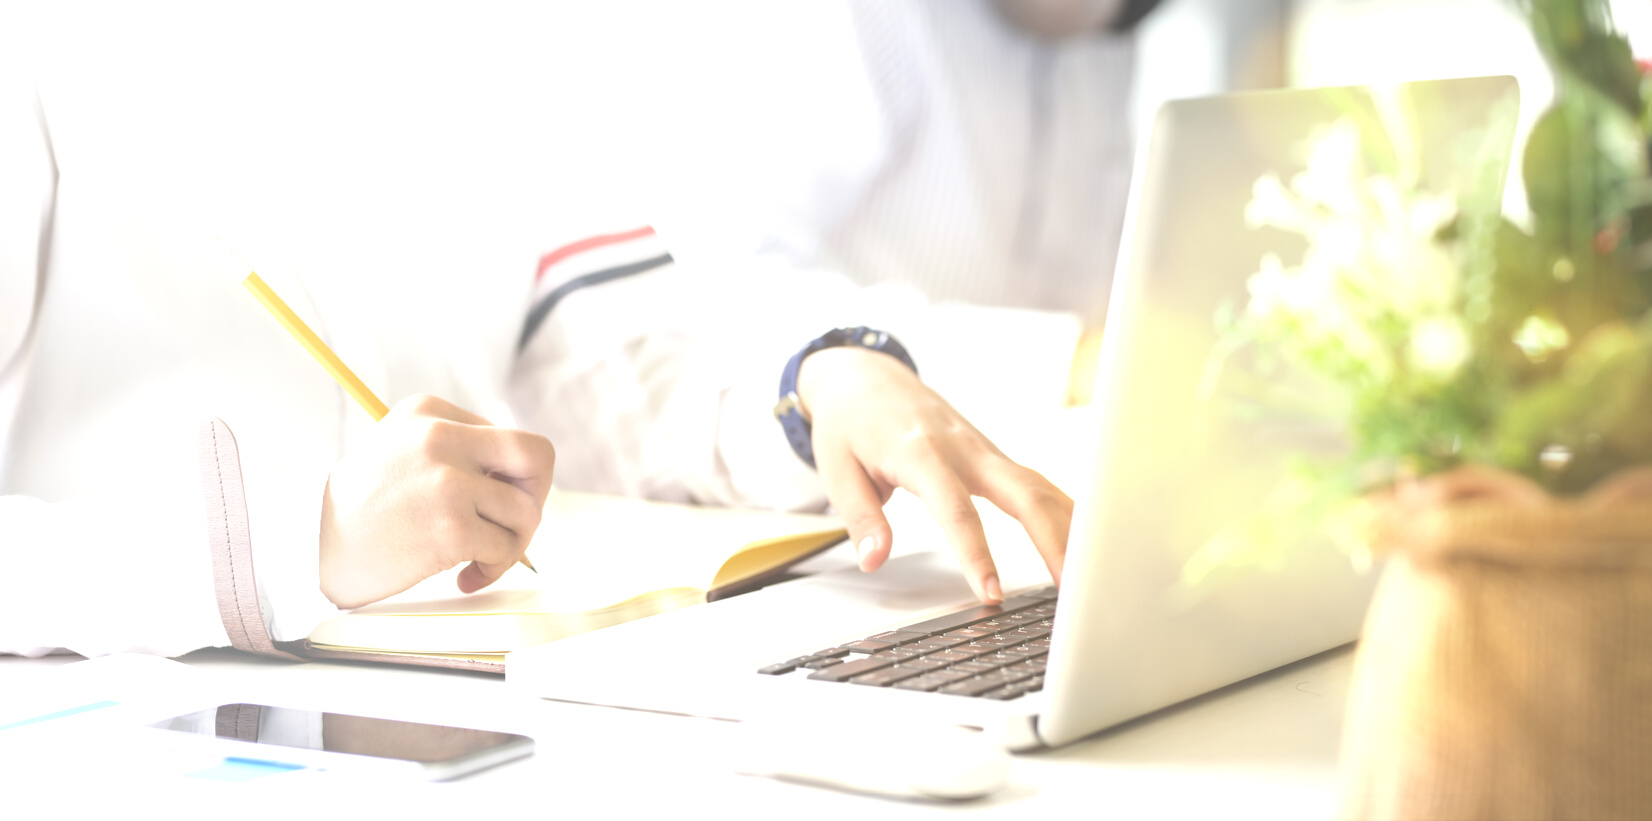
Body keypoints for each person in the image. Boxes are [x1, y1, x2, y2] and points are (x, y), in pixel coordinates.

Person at [0, 4, 1075, 657]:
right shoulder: (38, 54)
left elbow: (621, 371)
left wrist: (808, 393)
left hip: (459, 716)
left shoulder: (492, 45)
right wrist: (307, 541)